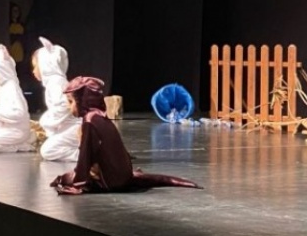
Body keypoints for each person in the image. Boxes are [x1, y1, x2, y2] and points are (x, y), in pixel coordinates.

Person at [50, 76, 202, 195]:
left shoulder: (90, 121)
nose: (69, 107)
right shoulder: (99, 116)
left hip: (111, 182)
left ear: (83, 101)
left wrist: (78, 184)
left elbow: (85, 158)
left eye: (71, 102)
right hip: (121, 175)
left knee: (64, 179)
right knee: (66, 177)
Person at [33, 37, 81, 161]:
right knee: (49, 146)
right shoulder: (54, 82)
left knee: (48, 151)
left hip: (74, 126)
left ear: (45, 64)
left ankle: (87, 157)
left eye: (35, 66)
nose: (34, 71)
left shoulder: (56, 82)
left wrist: (45, 120)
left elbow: (63, 106)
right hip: (68, 126)